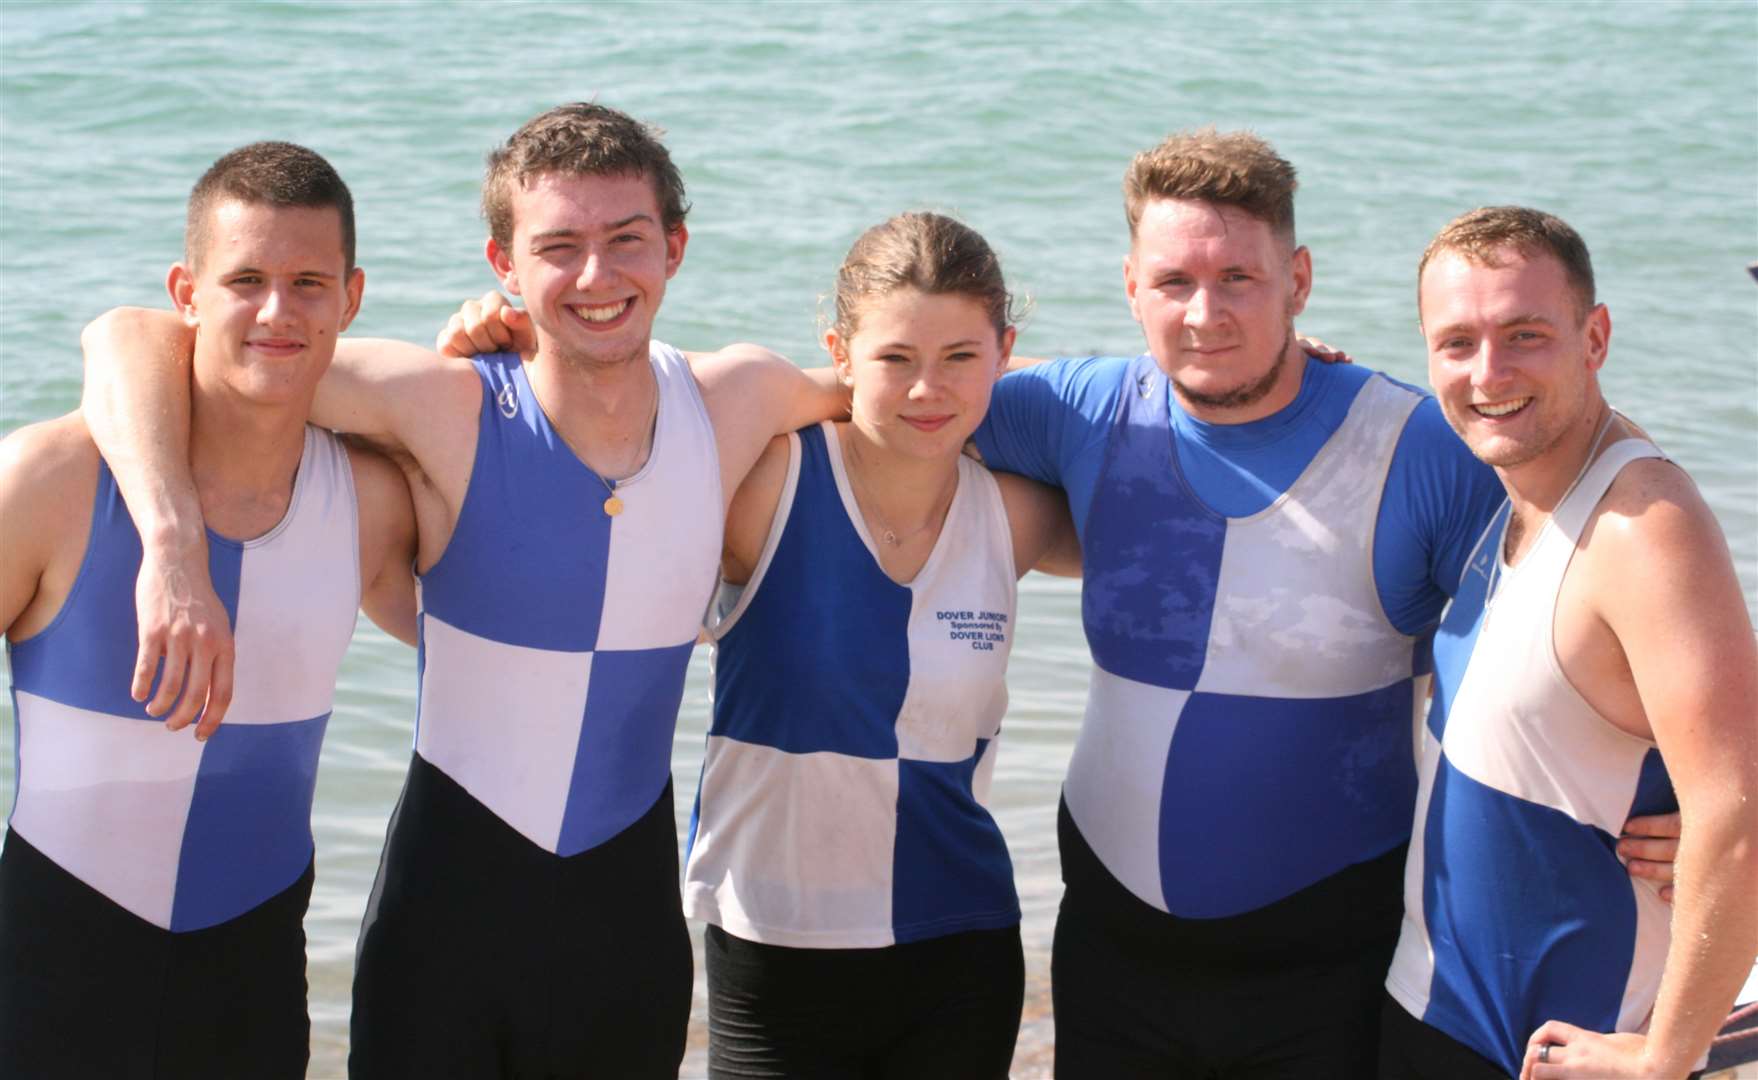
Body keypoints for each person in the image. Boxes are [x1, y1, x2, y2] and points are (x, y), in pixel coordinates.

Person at [78, 103, 846, 1078]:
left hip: (628, 925)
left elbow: (920, 391)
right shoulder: (448, 404)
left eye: (626, 241)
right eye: (557, 248)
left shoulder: (734, 399)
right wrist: (173, 545)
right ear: (504, 267)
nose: (596, 277)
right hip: (446, 917)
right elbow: (136, 339)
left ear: (675, 248)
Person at [968, 128, 1681, 1077]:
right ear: (1130, 286)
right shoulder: (1079, 408)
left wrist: (1714, 805)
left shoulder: (1422, 447)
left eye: (1241, 281)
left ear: (1300, 280)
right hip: (1110, 949)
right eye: (1175, 281)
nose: (1204, 313)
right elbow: (899, 402)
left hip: (1326, 962)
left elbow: (1627, 567)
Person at [0, 142, 417, 1078]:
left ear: (353, 299)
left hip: (254, 969)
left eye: (311, 282)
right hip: (55, 963)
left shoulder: (368, 502)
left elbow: (486, 642)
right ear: (186, 293)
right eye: (246, 280)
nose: (279, 310)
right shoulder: (52, 481)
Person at [672, 212, 1075, 1078]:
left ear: (1004, 353)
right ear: (839, 350)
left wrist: (1275, 370)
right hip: (771, 941)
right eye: (896, 359)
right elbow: (637, 426)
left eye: (960, 358)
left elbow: (1167, 458)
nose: (928, 389)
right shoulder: (767, 483)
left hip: (959, 938)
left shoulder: (1014, 514)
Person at [1378, 206, 1758, 1080]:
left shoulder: (1642, 527)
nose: (1488, 372)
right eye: (1457, 342)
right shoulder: (1511, 482)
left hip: (1568, 1044)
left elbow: (1732, 814)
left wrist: (1665, 1058)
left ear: (1595, 337)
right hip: (1437, 1009)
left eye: (1525, 335)